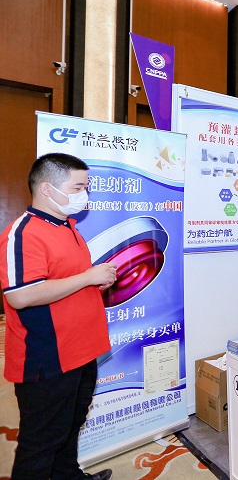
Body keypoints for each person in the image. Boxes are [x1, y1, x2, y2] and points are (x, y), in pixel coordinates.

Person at [0, 153, 117, 480]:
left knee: (70, 425)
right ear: (47, 189)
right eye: (78, 187)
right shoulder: (23, 233)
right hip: (48, 358)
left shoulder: (68, 227)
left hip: (82, 350)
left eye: (86, 187)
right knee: (41, 441)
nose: (85, 194)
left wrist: (94, 281)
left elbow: (64, 282)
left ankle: (69, 476)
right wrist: (87, 277)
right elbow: (21, 295)